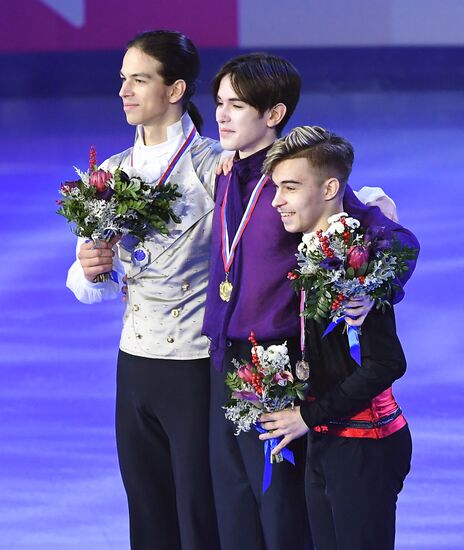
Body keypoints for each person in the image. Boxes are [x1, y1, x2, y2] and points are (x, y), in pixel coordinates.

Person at [202, 53, 396, 550]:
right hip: (225, 360)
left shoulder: (302, 183)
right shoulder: (227, 172)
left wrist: (377, 290)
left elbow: (385, 233)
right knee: (234, 504)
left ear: (274, 114)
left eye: (236, 106)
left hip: (278, 365)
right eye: (219, 103)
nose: (221, 115)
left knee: (281, 511)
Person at [66, 30, 223, 550]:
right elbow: (94, 283)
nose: (124, 92)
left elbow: (301, 190)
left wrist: (365, 204)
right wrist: (89, 269)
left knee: (201, 511)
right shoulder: (109, 174)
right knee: (148, 510)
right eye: (122, 80)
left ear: (175, 89)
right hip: (134, 362)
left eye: (139, 79)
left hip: (198, 365)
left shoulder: (214, 166)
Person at [260, 125, 419, 550]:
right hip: (328, 439)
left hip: (365, 446)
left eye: (289, 187)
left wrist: (308, 416)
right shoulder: (314, 250)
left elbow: (386, 363)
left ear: (330, 187)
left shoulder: (360, 259)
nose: (277, 200)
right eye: (276, 187)